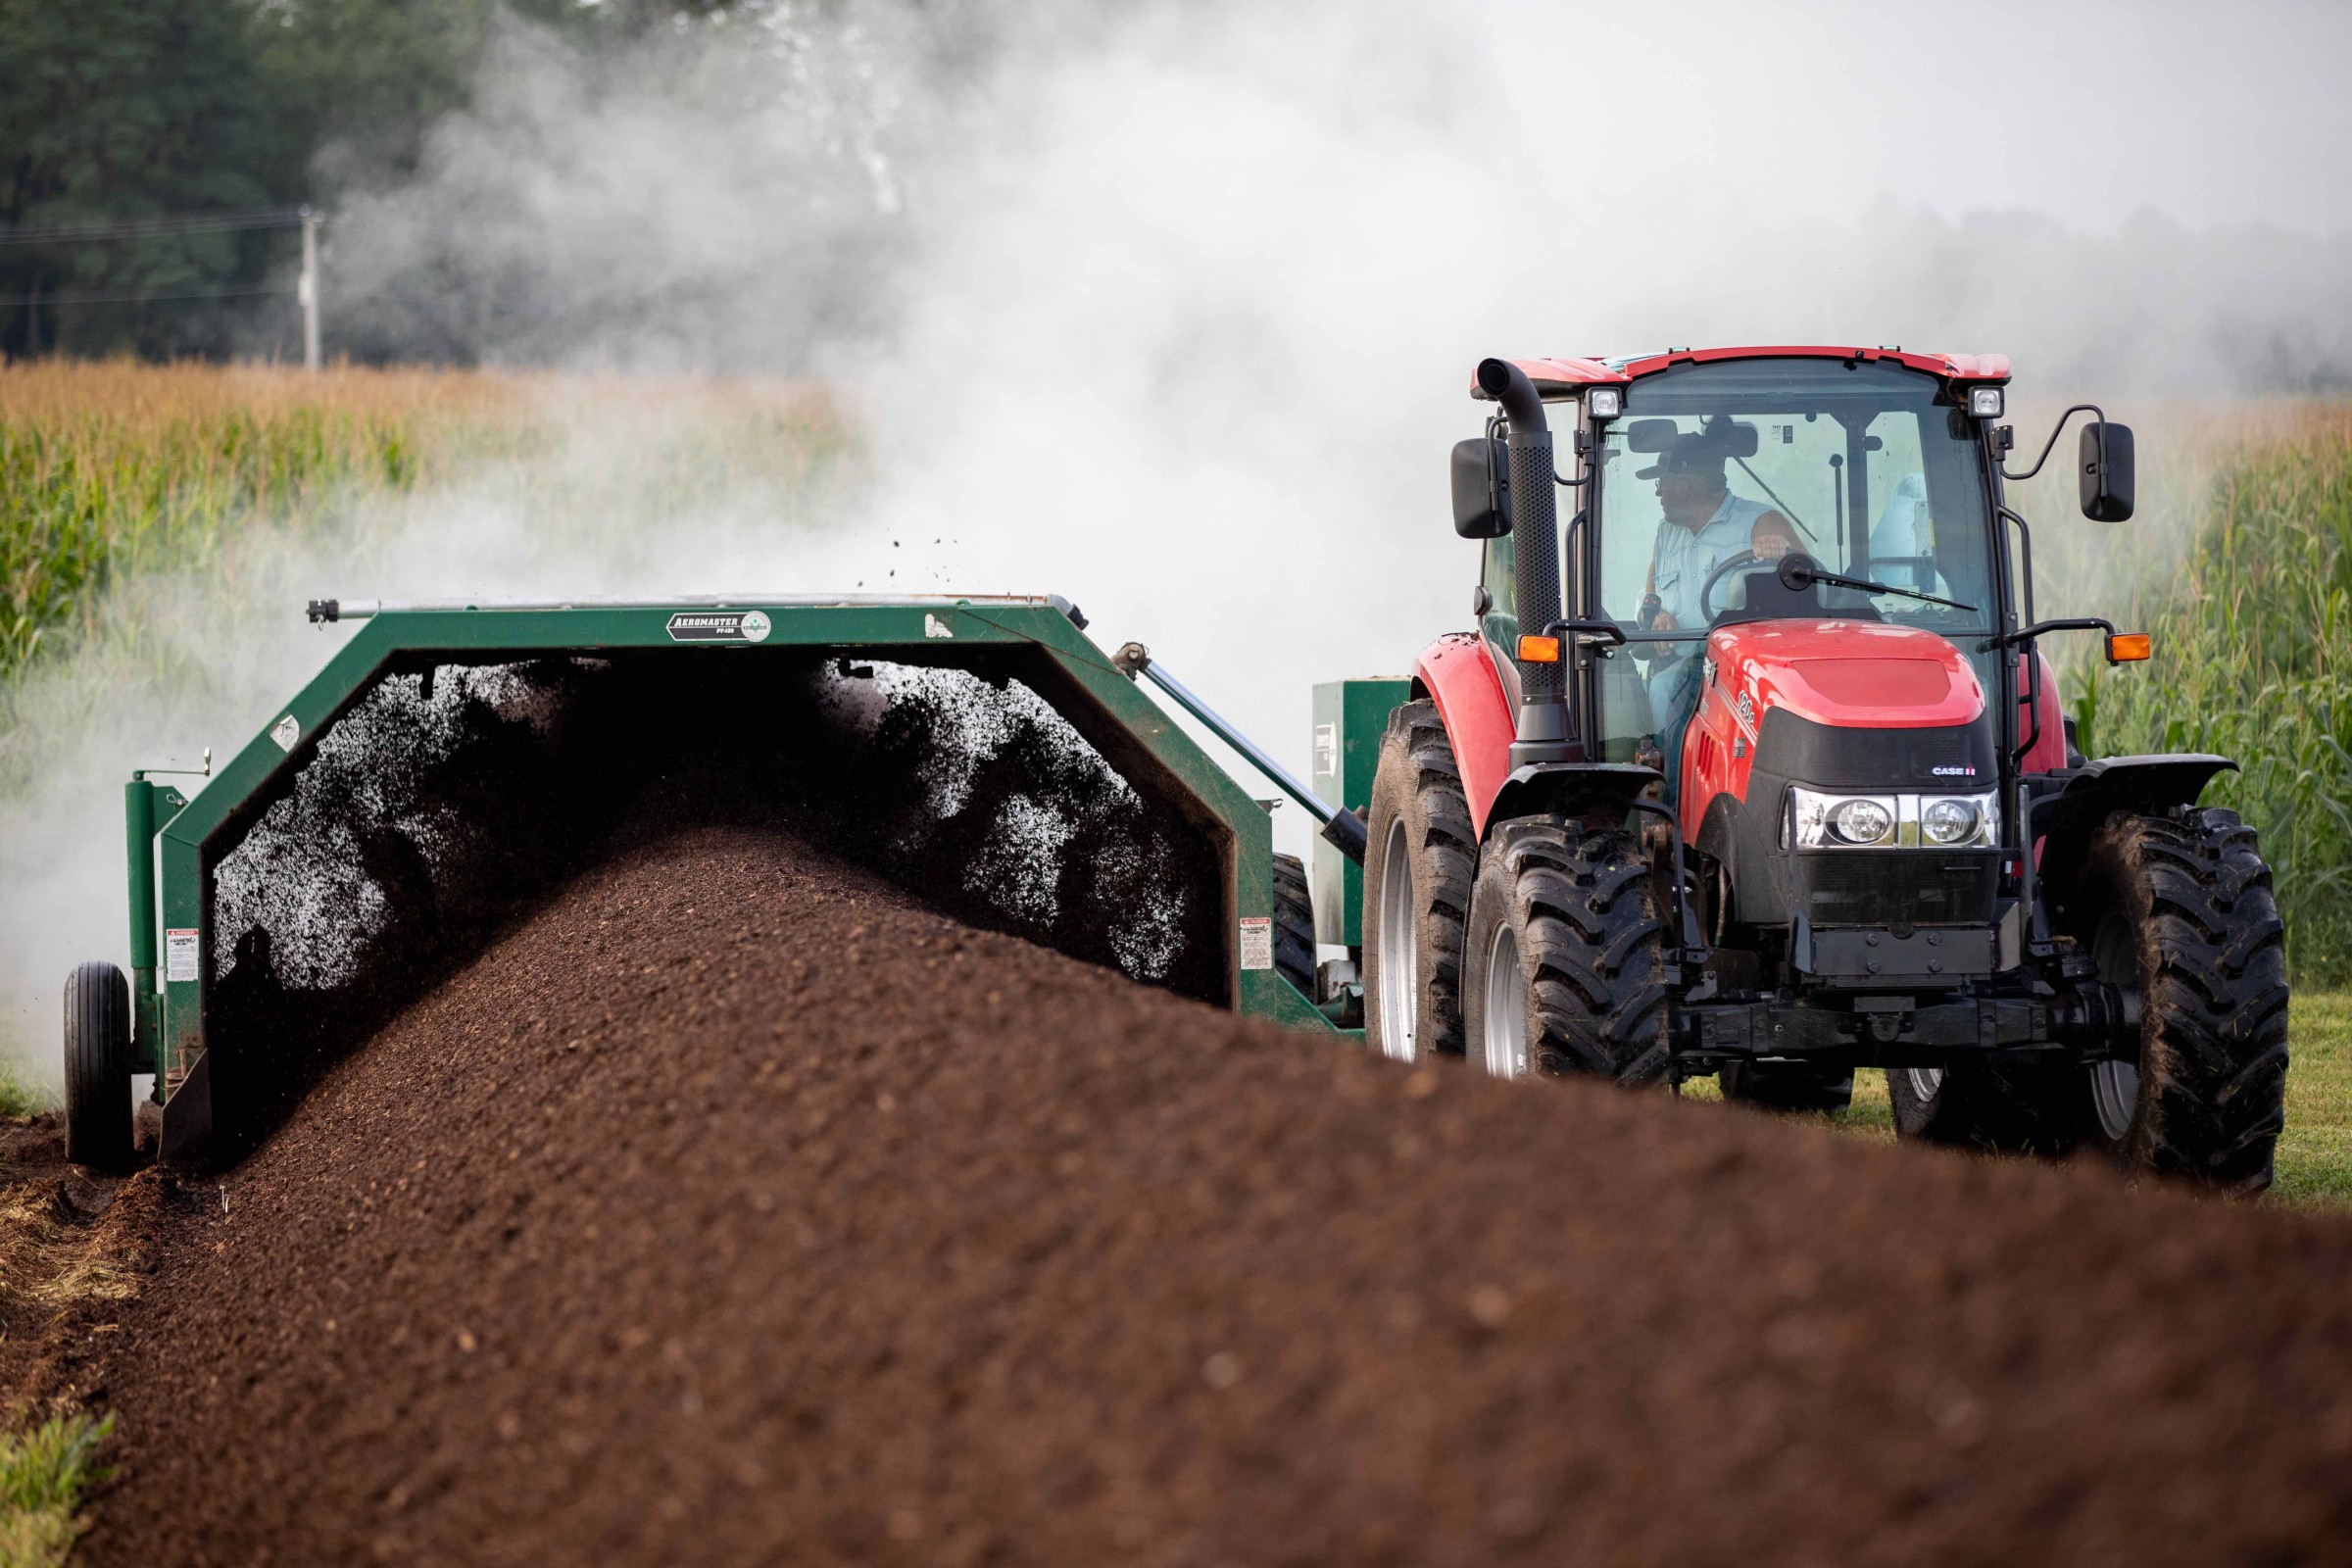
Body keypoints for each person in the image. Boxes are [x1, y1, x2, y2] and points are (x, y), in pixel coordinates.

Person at [1636, 429, 1795, 801]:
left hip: (1739, 672)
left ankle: (1677, 800)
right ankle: (1672, 800)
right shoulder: (1666, 534)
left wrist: (1779, 552)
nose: (1658, 492)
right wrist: (1657, 619)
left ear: (1690, 483)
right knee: (1661, 688)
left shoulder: (1761, 524)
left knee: (1667, 691)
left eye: (1663, 482)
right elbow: (1649, 604)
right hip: (1680, 665)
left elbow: (1816, 588)